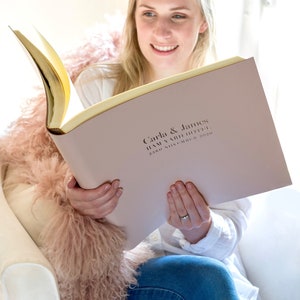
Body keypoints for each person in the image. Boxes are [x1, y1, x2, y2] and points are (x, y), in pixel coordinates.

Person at [68, 0, 259, 299]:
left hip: (202, 274)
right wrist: (77, 202)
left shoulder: (229, 96)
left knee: (210, 277)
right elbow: (54, 182)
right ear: (133, 17)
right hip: (120, 272)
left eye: (178, 15)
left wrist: (202, 228)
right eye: (149, 13)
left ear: (203, 23)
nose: (161, 31)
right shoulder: (96, 87)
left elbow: (230, 235)